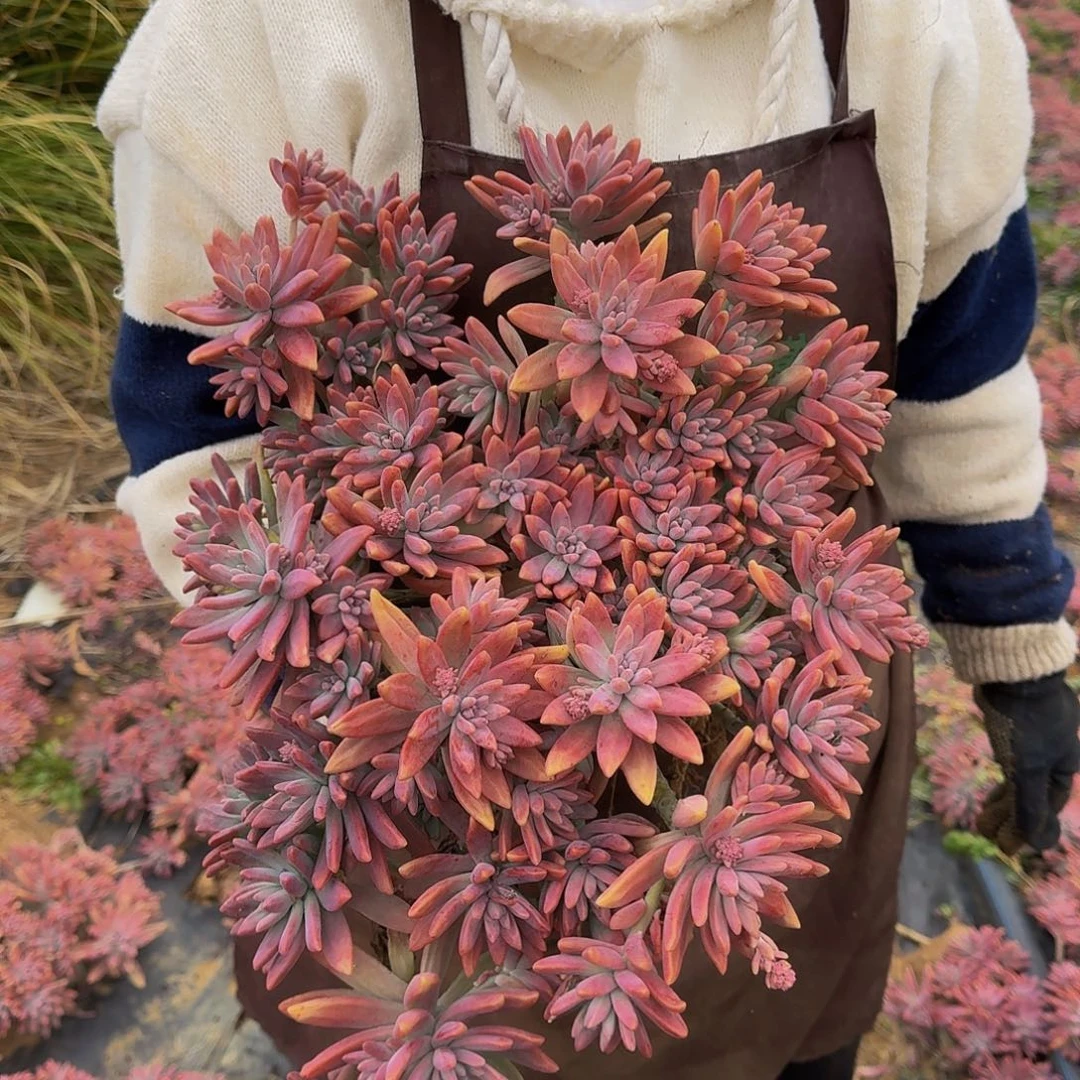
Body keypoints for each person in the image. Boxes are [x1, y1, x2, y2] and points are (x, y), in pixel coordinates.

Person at [98, 1, 1080, 1077]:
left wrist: (1012, 624)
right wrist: (361, 653)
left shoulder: (920, 19)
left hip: (796, 726)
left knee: (779, 1033)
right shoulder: (249, 36)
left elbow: (955, 356)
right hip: (421, 771)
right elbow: (199, 442)